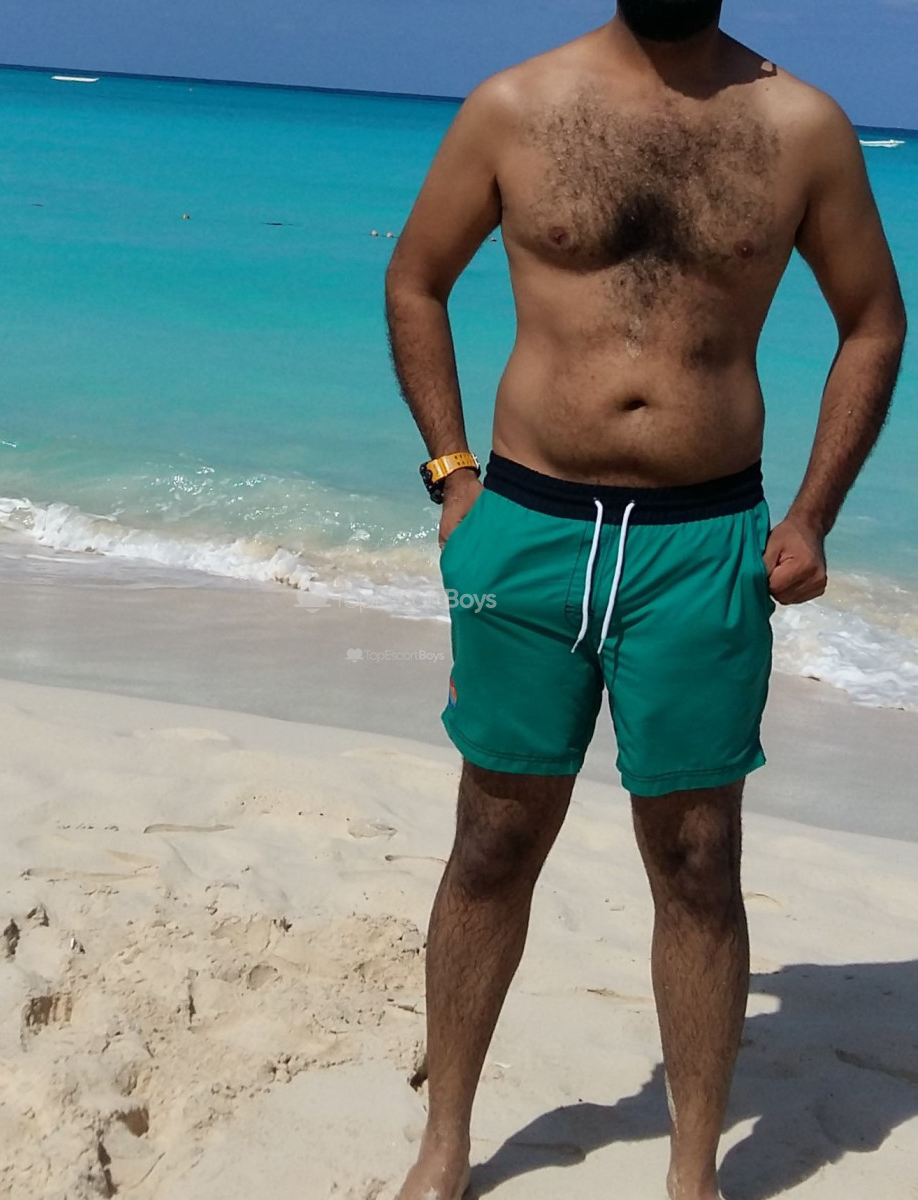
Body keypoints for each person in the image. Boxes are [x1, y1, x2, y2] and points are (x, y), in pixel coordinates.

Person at [383, 3, 907, 1199]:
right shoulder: (516, 106)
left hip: (700, 540)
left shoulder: (802, 125)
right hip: (530, 528)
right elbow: (416, 281)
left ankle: (691, 1175)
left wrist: (814, 513)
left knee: (698, 857)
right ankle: (444, 1145)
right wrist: (453, 476)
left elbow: (874, 321)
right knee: (493, 838)